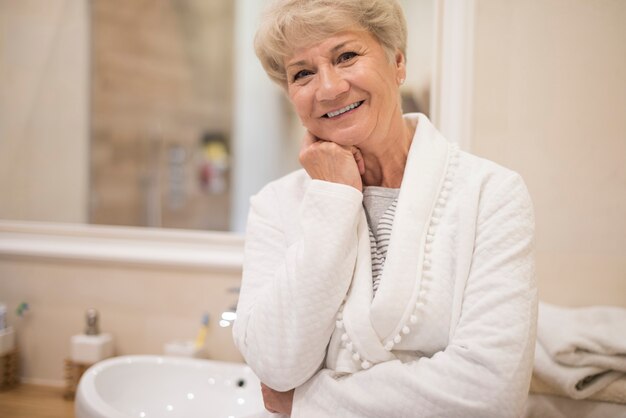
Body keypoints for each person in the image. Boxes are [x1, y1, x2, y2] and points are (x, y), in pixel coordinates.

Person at [233, 0, 537, 416]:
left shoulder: (490, 194)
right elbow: (274, 367)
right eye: (302, 73)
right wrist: (333, 200)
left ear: (397, 62)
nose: (329, 88)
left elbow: (490, 393)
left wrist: (307, 401)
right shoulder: (275, 205)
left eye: (346, 56)